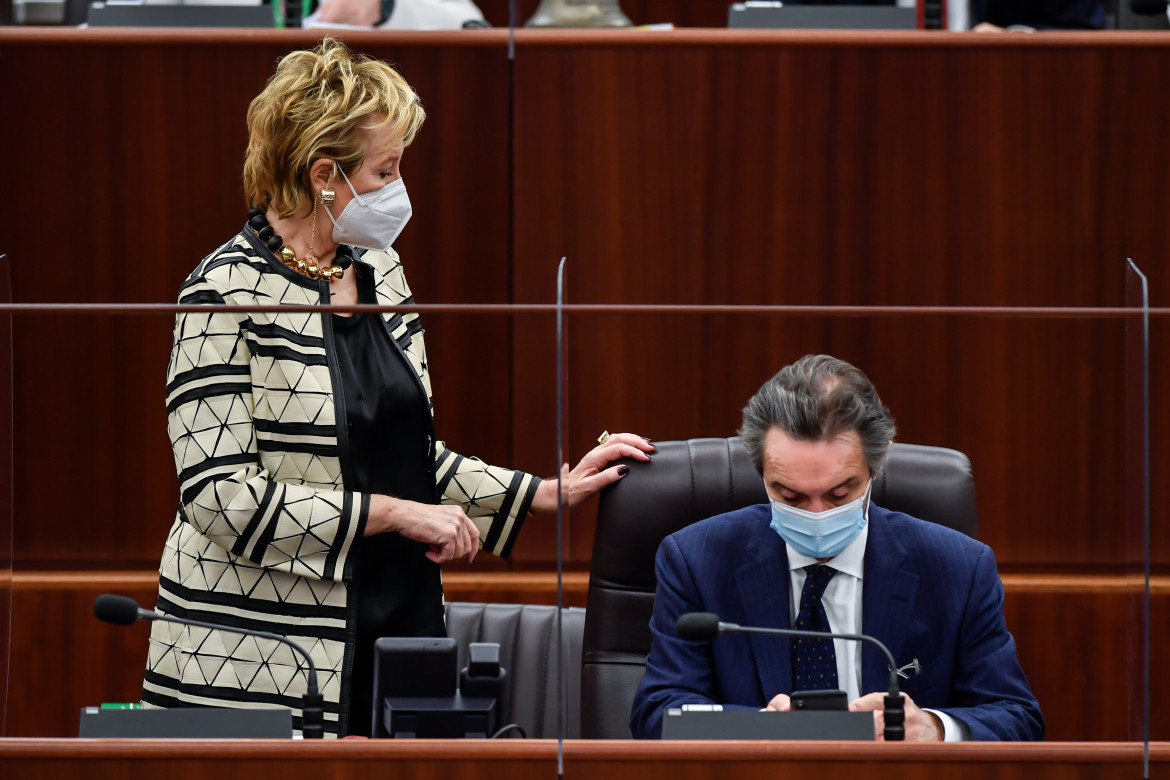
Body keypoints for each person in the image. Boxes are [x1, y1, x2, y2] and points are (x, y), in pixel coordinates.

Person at [141, 39, 653, 738]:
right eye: (385, 170)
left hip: (395, 612)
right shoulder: (220, 294)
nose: (399, 187)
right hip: (262, 647)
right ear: (326, 176)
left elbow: (404, 451)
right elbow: (217, 497)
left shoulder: (382, 270)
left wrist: (544, 493)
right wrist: (394, 515)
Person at [630, 354, 1043, 741]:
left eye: (839, 494)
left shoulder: (958, 567)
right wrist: (759, 730)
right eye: (790, 496)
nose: (816, 513)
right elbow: (659, 714)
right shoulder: (696, 560)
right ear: (762, 476)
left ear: (875, 470)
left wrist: (933, 729)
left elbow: (1015, 717)